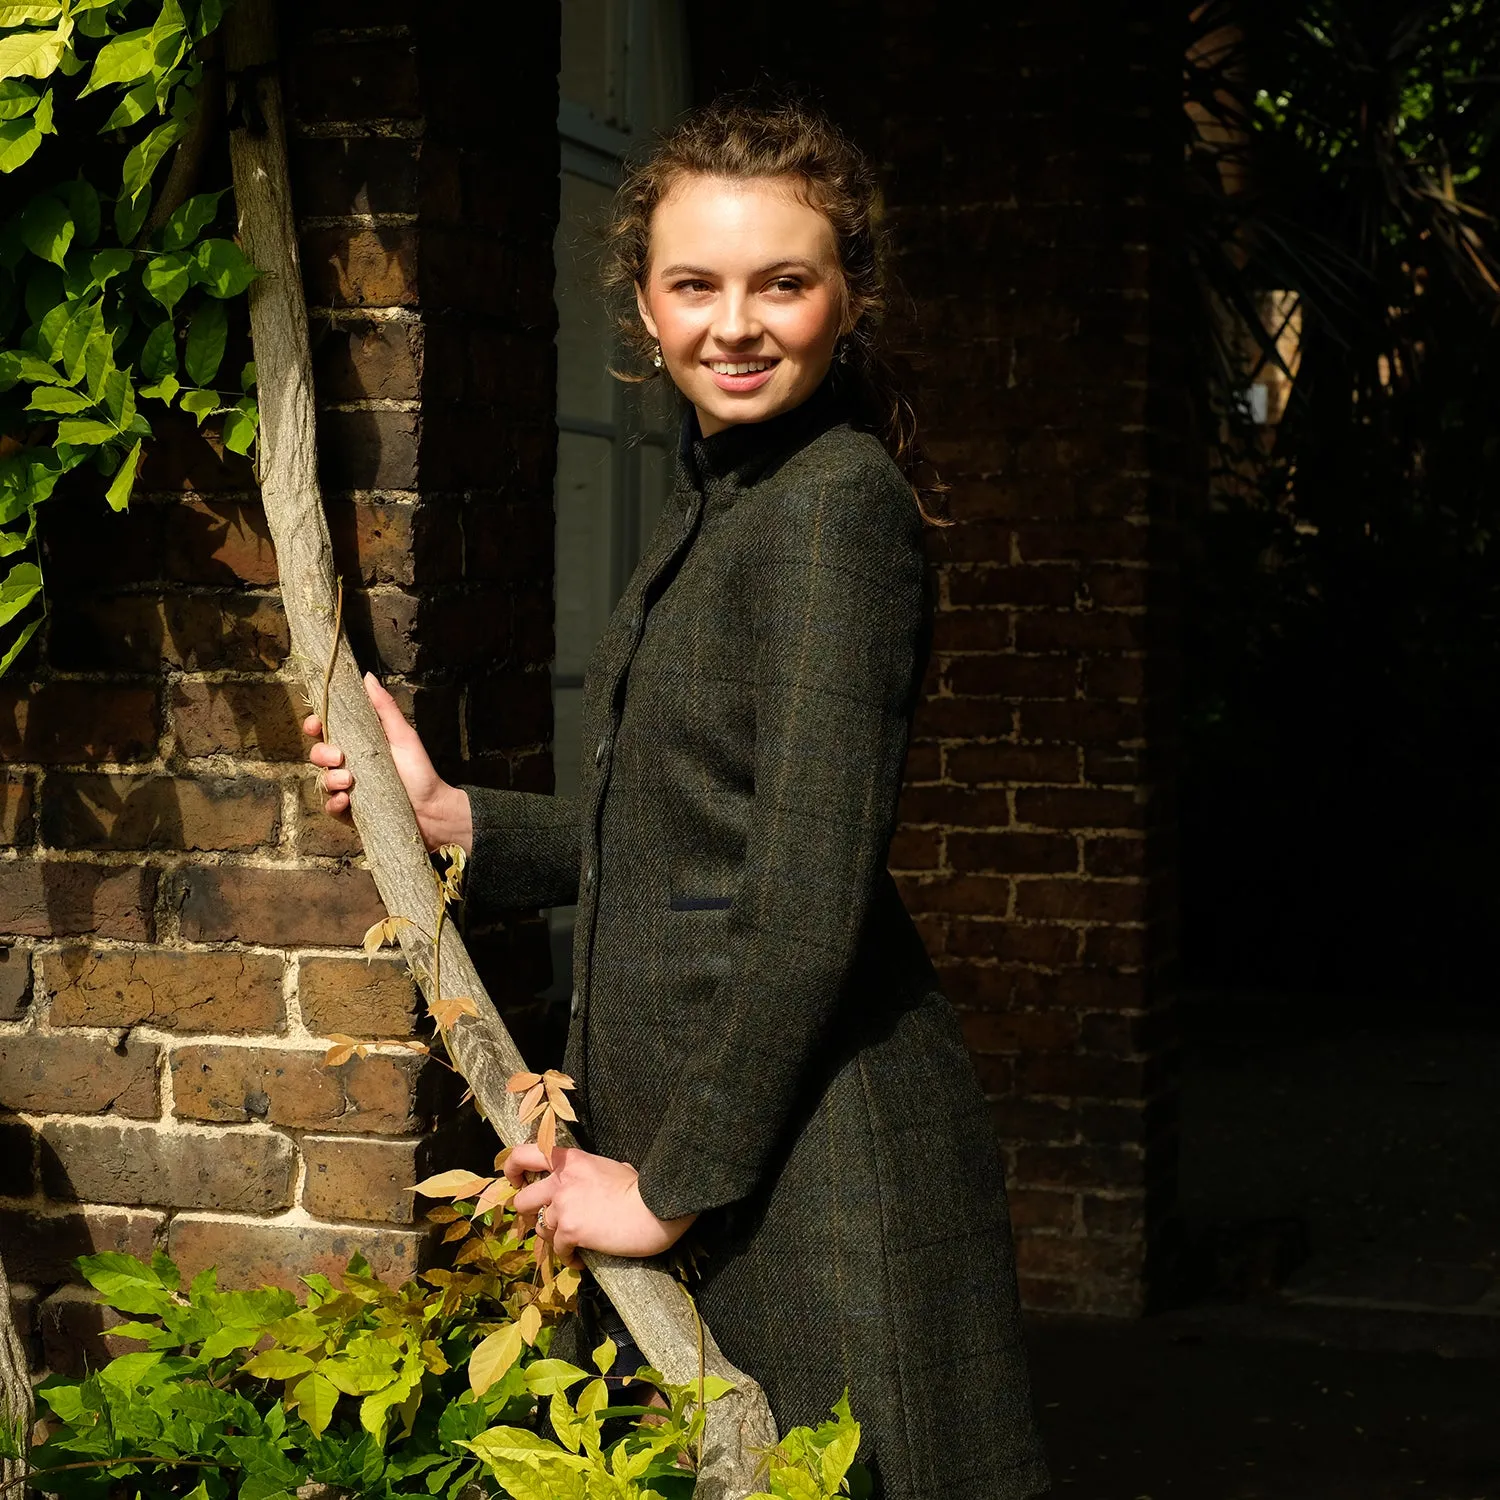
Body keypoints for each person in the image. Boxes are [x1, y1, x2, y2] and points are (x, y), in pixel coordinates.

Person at [304, 96, 1049, 1500]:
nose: (735, 324)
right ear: (643, 313)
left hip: (822, 1174)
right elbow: (694, 837)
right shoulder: (733, 498)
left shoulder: (833, 509)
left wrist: (662, 1187)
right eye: (694, 284)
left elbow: (807, 892)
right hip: (740, 1157)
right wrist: (451, 817)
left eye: (784, 282)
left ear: (852, 299)